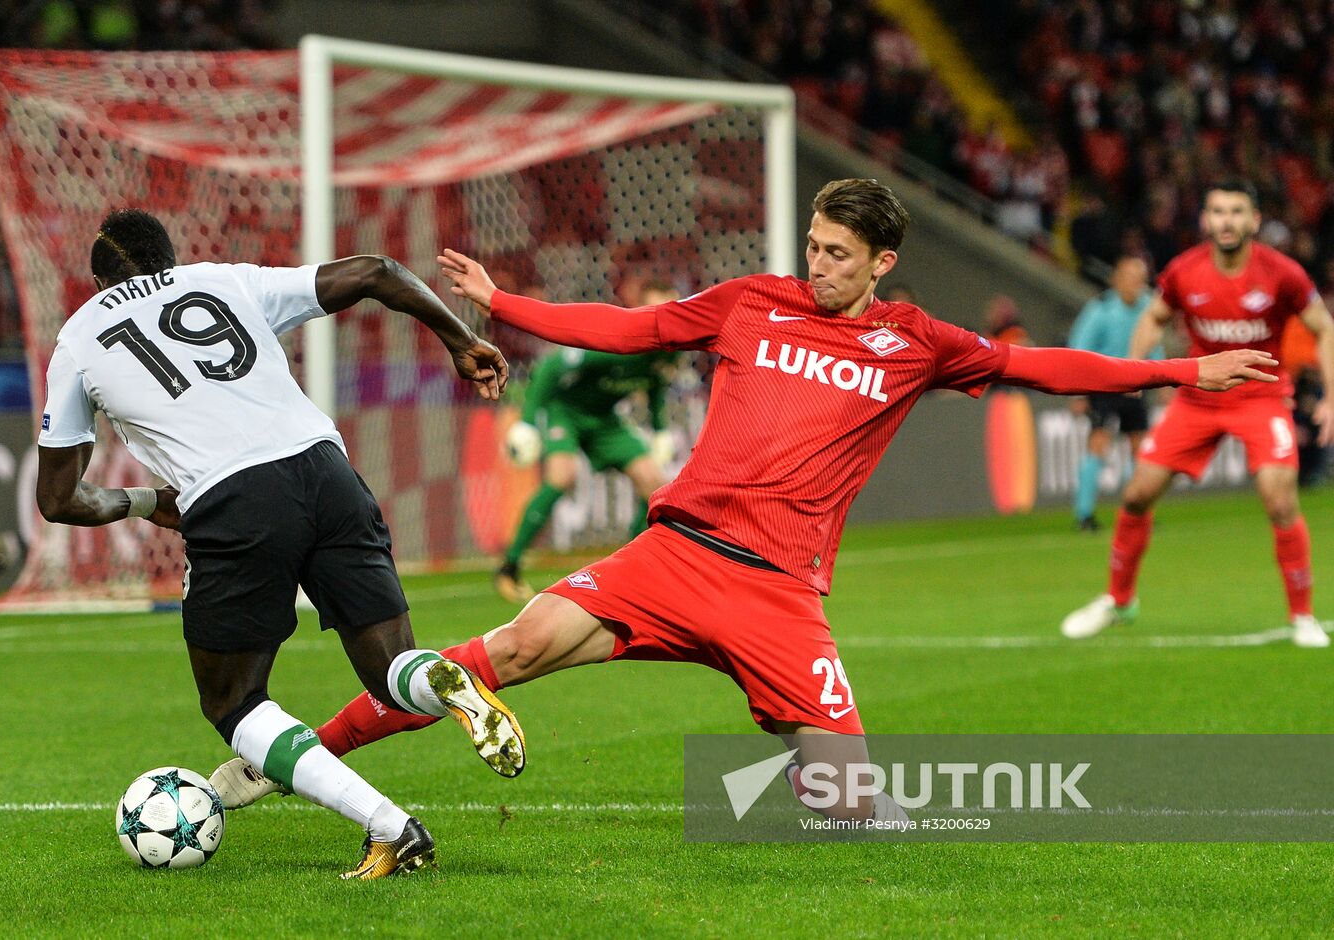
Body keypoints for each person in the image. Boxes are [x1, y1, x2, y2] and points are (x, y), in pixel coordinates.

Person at [212, 178, 1274, 823]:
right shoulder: (747, 304)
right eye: (811, 245)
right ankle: (291, 760)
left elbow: (1041, 365)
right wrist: (507, 304)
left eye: (835, 254)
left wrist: (1180, 377)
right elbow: (630, 331)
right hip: (672, 554)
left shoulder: (914, 341)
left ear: (881, 263)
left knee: (847, 807)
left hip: (778, 594)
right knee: (504, 650)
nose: (813, 265)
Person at [35, 209, 525, 879]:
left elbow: (58, 498)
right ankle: (439, 679)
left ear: (97, 280)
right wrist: (459, 337)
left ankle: (392, 828)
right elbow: (376, 272)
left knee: (234, 703)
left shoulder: (80, 337)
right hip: (327, 472)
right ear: (172, 257)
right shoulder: (222, 281)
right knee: (389, 668)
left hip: (234, 499)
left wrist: (150, 503)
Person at [1061, 180, 1334, 647]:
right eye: (1217, 212)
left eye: (1236, 212)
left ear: (1253, 220)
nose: (1226, 221)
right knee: (1136, 494)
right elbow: (1153, 318)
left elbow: (1324, 327)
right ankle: (1118, 600)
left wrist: (1330, 396)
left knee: (1279, 498)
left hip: (1261, 396)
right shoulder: (1184, 272)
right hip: (1199, 396)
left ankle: (1302, 614)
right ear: (1205, 220)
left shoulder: (1283, 273)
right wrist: (1136, 371)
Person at [495, 279, 680, 602]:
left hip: (605, 419)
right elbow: (552, 367)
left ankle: (630, 570)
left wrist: (660, 429)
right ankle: (509, 566)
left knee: (654, 482)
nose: (659, 317)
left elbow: (655, 388)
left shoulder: (669, 351)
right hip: (565, 411)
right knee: (562, 475)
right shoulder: (618, 344)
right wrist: (527, 423)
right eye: (652, 310)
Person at [1067, 255, 1160, 530]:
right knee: (1098, 443)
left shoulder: (1148, 307)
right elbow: (1078, 348)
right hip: (1104, 385)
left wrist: (1166, 379)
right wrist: (1079, 392)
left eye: (1140, 279)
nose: (1136, 284)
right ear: (1117, 279)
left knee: (1139, 448)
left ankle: (1137, 510)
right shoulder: (1101, 310)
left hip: (1136, 386)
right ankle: (1084, 514)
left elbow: (1154, 344)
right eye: (1131, 277)